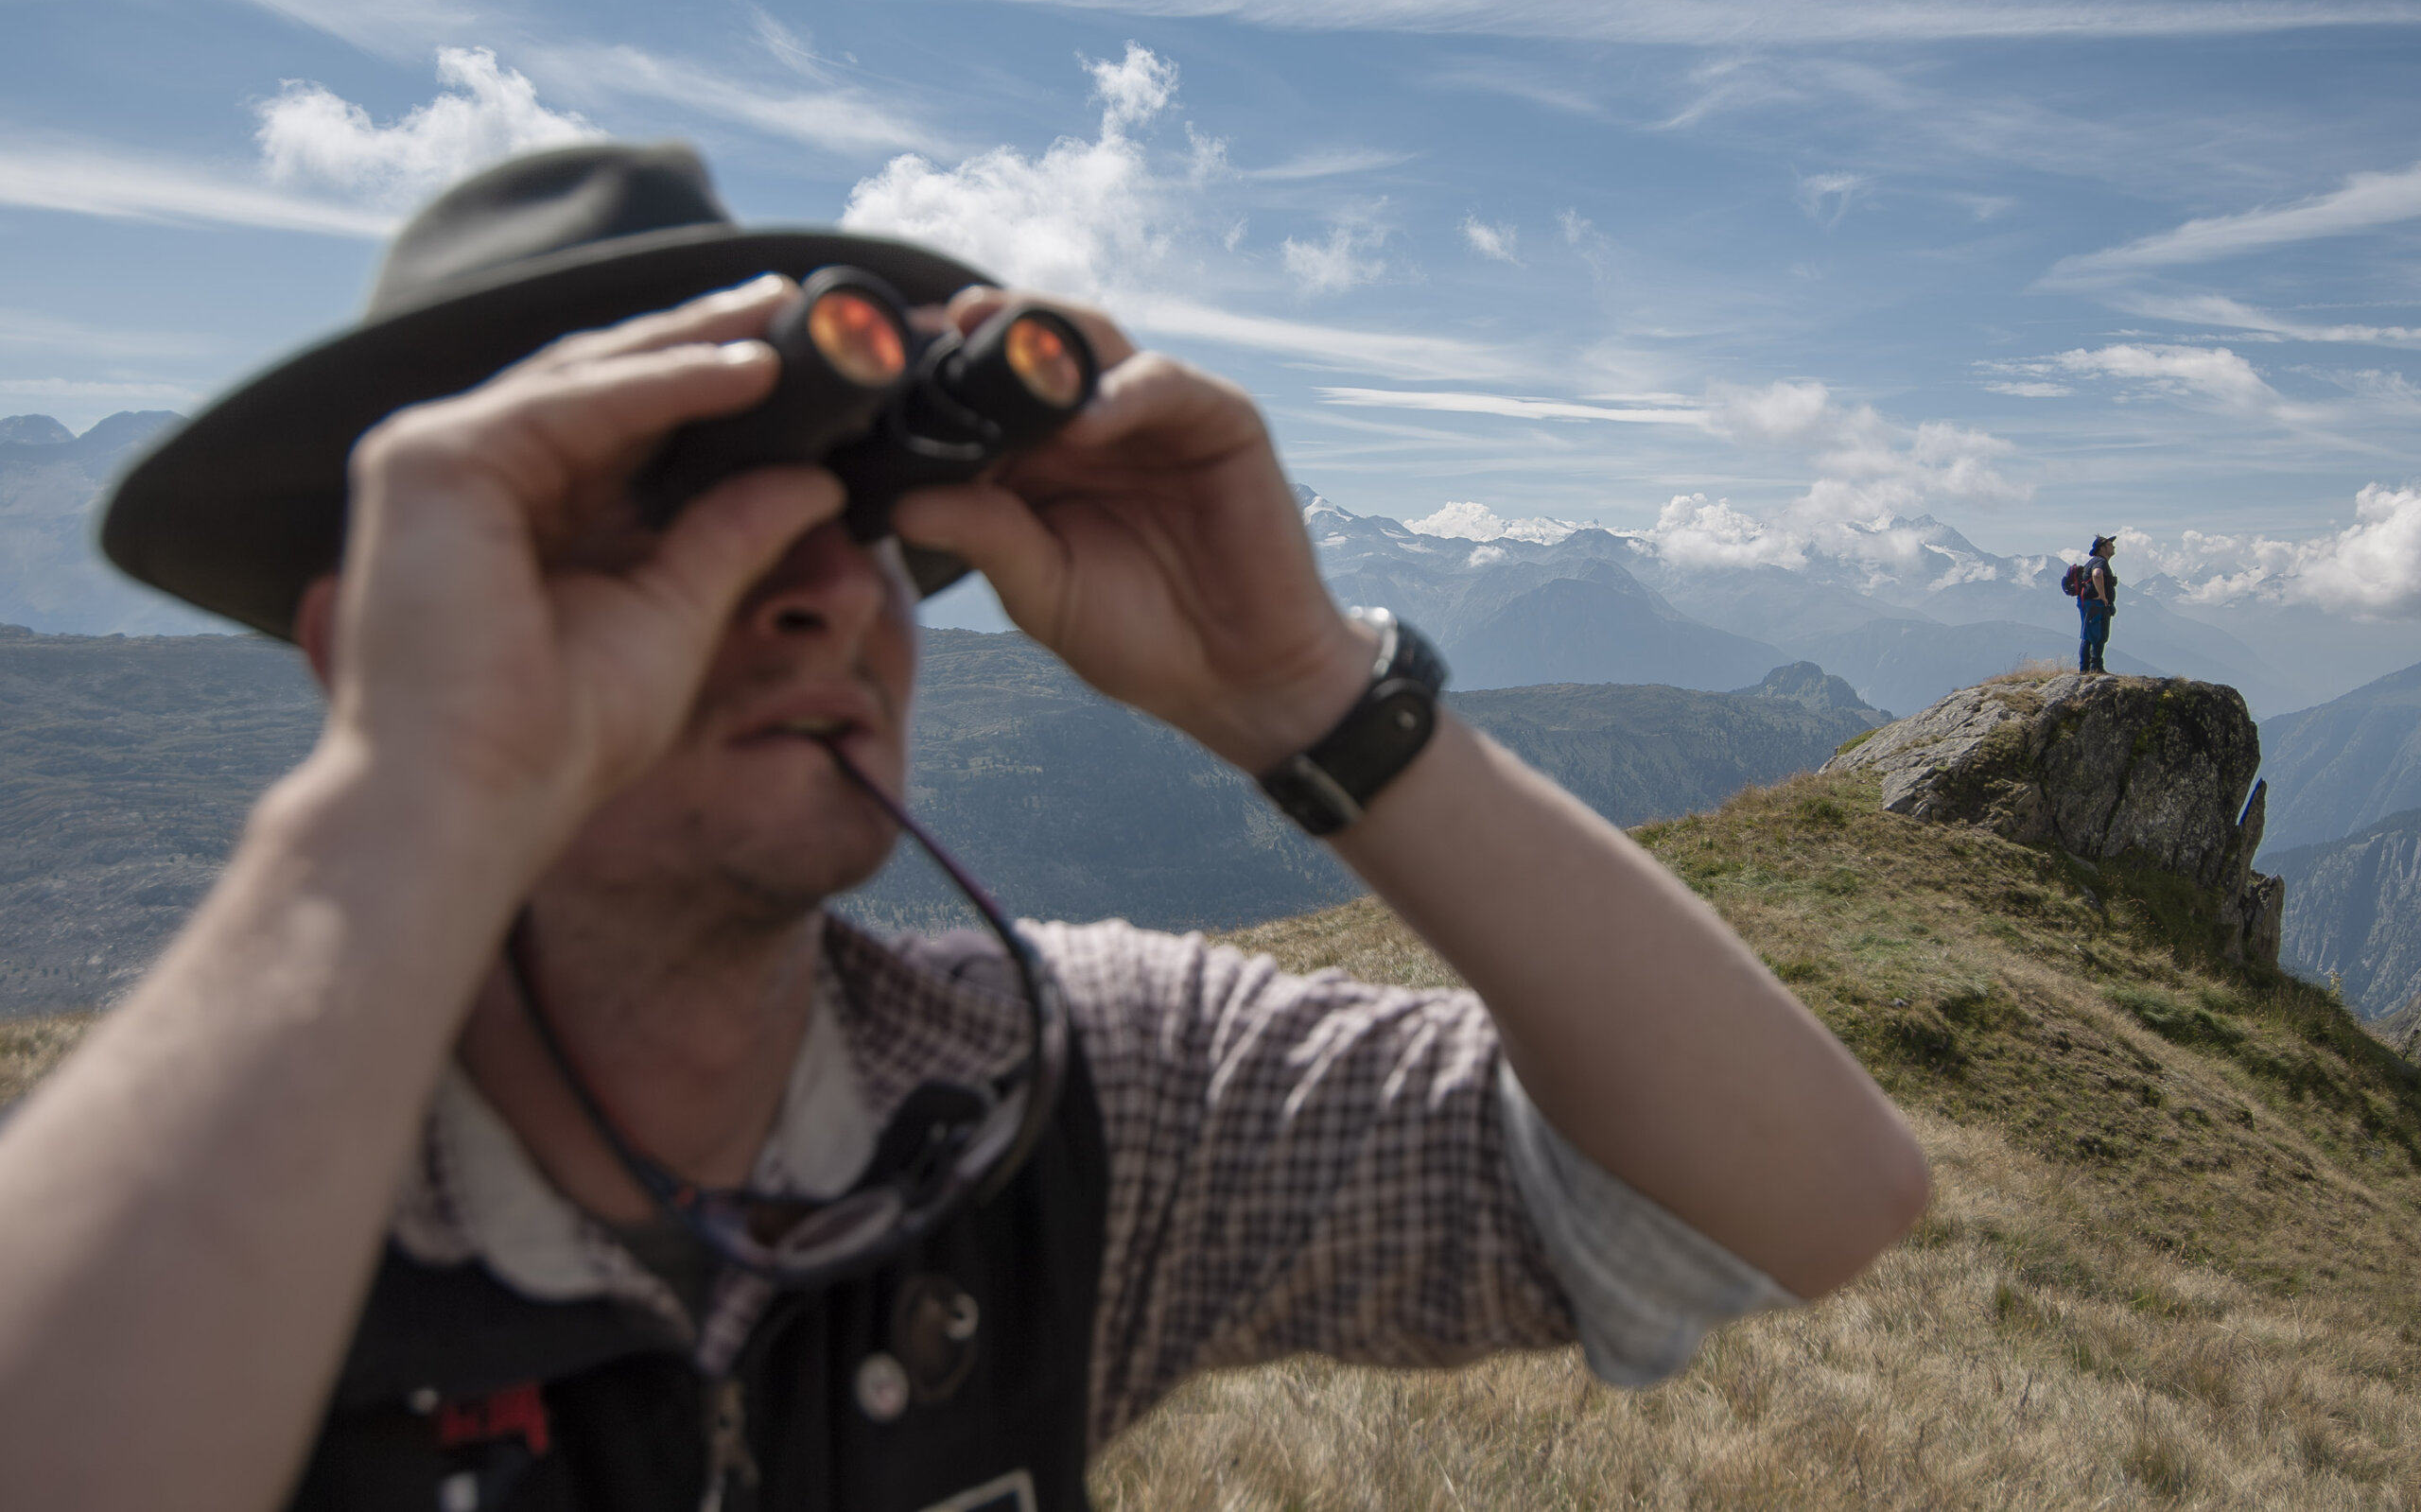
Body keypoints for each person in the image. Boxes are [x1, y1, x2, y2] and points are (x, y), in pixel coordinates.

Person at [0, 144, 1927, 1512]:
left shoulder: (1053, 1100)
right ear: (372, 644)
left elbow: (1797, 1201)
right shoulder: (217, 1193)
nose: (811, 588)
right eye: (654, 513)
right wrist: (407, 796)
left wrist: (1312, 695)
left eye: (851, 504)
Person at [2079, 533, 2117, 674]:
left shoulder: (2094, 561)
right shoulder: (2100, 562)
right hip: (2096, 604)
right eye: (2109, 545)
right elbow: (2097, 574)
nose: (2113, 547)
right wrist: (2102, 596)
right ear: (2102, 548)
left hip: (2089, 603)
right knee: (2098, 635)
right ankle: (2094, 667)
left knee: (2090, 634)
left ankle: (2087, 668)